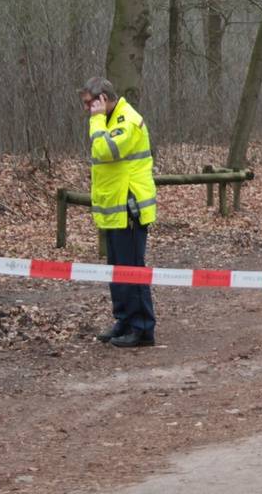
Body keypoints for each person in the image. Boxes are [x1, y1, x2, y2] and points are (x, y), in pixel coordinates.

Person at [79, 77, 158, 348]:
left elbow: (104, 149)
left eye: (90, 103)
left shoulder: (127, 120)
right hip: (115, 209)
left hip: (130, 208)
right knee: (116, 270)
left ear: (103, 99)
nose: (87, 109)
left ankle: (143, 328)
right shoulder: (111, 121)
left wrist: (97, 119)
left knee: (132, 270)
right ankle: (124, 320)